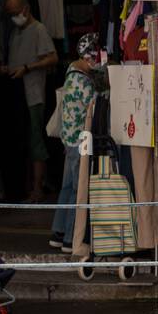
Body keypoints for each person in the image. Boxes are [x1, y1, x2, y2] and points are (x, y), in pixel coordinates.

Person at [2, 0, 58, 202]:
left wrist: (28, 68)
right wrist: (9, 68)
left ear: (25, 10)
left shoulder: (38, 30)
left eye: (15, 13)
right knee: (20, 140)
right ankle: (25, 187)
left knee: (36, 141)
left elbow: (52, 58)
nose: (13, 18)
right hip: (16, 93)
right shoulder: (15, 32)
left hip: (33, 94)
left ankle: (37, 189)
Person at [49, 34, 101, 251]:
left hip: (68, 139)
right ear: (88, 57)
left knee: (67, 186)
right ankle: (70, 238)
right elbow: (95, 104)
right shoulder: (83, 81)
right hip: (80, 140)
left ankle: (58, 232)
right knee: (77, 189)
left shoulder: (71, 73)